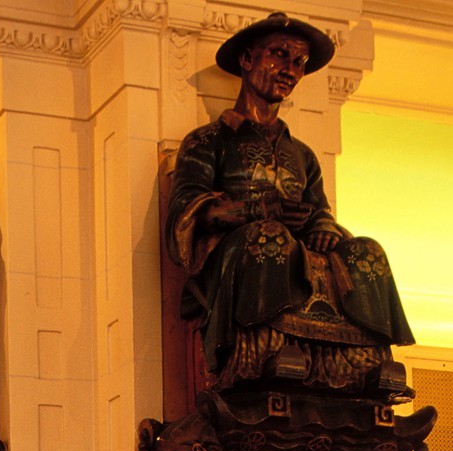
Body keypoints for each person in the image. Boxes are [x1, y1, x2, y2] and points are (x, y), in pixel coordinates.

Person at [165, 12, 414, 392]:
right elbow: (188, 212)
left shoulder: (303, 154)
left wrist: (324, 230)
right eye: (279, 55)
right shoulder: (208, 141)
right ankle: (264, 353)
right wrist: (256, 211)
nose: (290, 70)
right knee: (269, 238)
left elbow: (320, 211)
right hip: (240, 255)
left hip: (296, 248)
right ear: (247, 60)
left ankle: (364, 364)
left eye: (299, 62)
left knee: (367, 252)